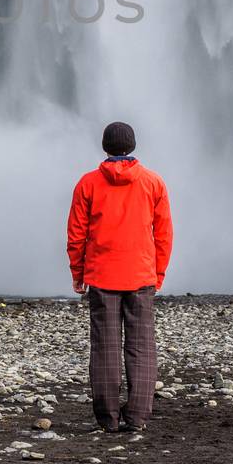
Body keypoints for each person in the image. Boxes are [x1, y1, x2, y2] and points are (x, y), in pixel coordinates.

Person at [66, 120, 173, 432]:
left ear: (105, 147)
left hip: (101, 276)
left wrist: (78, 272)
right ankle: (138, 416)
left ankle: (107, 418)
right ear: (133, 146)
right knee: (142, 347)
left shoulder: (87, 184)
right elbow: (164, 234)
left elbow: (76, 235)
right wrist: (158, 272)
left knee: (105, 348)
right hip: (141, 274)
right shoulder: (153, 183)